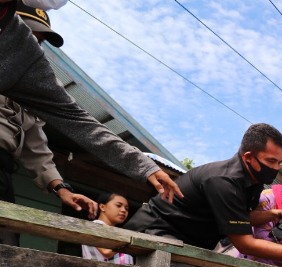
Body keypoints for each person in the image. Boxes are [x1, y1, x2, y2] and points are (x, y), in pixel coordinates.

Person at [0, 1, 182, 203]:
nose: (35, 42)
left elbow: (75, 119)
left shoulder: (24, 56)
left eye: (39, 40)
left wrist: (143, 165)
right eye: (30, 31)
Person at [124, 123, 282, 267]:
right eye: (271, 161)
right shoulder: (224, 181)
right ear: (248, 157)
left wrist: (271, 214)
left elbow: (240, 218)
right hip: (158, 234)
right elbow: (245, 244)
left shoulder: (254, 180)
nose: (276, 168)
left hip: (191, 246)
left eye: (279, 162)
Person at [0, 5, 98, 246]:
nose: (31, 44)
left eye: (38, 41)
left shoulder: (33, 86)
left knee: (6, 250)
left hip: (2, 168)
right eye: (26, 34)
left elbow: (35, 146)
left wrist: (62, 189)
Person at [81, 192, 133, 265]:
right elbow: (106, 251)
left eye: (126, 208)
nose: (123, 210)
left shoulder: (118, 233)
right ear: (102, 207)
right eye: (118, 205)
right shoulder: (95, 225)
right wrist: (128, 240)